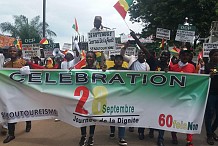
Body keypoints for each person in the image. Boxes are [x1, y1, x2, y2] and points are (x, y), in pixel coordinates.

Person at [120, 34, 151, 140]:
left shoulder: (147, 66)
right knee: (130, 108)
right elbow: (122, 55)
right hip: (131, 89)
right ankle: (131, 124)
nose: (141, 54)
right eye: (139, 53)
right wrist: (125, 47)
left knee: (141, 109)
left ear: (145, 55)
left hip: (142, 91)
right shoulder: (132, 59)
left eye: (143, 53)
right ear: (137, 54)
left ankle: (140, 129)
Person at [3, 46, 31, 143]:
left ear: (17, 52)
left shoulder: (24, 62)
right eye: (10, 51)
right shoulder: (6, 65)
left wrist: (25, 71)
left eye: (14, 51)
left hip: (23, 90)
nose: (12, 52)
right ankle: (11, 134)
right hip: (10, 91)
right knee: (10, 110)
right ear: (8, 52)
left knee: (25, 108)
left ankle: (28, 122)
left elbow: (31, 75)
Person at [169, 48, 195, 146]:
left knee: (189, 117)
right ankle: (173, 135)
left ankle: (189, 140)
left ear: (189, 57)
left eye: (187, 55)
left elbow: (197, 80)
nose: (185, 57)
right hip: (175, 97)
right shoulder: (173, 67)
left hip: (187, 96)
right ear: (180, 56)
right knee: (174, 116)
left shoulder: (192, 67)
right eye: (183, 55)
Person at [79, 51, 100, 146]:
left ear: (94, 59)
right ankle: (83, 136)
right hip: (83, 97)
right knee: (82, 117)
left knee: (92, 118)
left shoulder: (99, 70)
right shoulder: (82, 69)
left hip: (94, 97)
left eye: (91, 57)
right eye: (87, 57)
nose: (89, 59)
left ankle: (91, 136)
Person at [108, 55, 128, 146]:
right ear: (114, 61)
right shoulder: (109, 70)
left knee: (122, 116)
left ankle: (121, 137)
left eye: (120, 60)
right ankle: (112, 131)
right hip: (112, 96)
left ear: (123, 61)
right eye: (117, 59)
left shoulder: (127, 71)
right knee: (112, 114)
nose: (119, 61)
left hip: (123, 97)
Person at [203, 49, 218, 145]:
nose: (217, 56)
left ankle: (212, 130)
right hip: (211, 93)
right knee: (209, 114)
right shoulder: (207, 66)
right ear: (211, 56)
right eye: (215, 55)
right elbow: (203, 78)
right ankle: (209, 134)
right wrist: (209, 76)